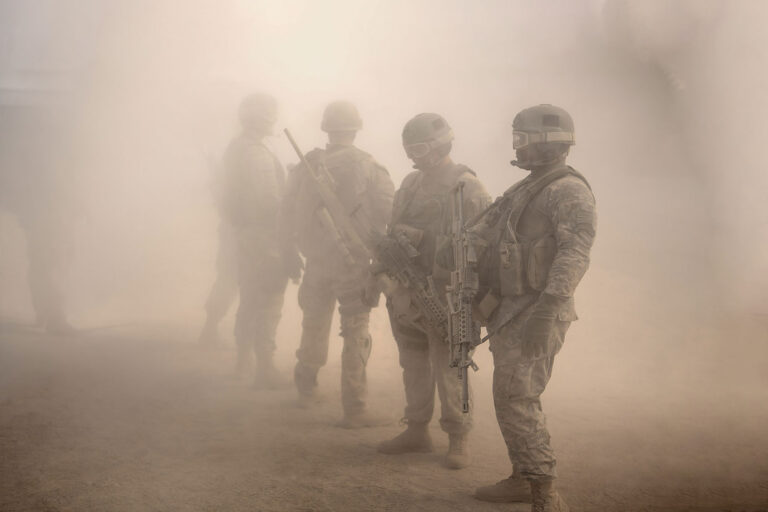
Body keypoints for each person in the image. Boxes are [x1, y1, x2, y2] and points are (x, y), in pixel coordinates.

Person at [470, 104, 596, 511]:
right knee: (508, 396)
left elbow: (574, 252)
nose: (516, 147)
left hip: (538, 310)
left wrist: (550, 307)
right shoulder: (530, 186)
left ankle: (546, 492)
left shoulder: (567, 190)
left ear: (547, 143)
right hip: (512, 308)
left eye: (522, 140)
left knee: (518, 397)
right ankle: (523, 477)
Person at [376, 113, 491, 469]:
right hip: (407, 291)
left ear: (442, 145)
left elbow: (481, 244)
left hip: (447, 296)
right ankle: (417, 429)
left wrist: (425, 241)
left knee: (451, 369)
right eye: (409, 148)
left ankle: (459, 438)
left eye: (421, 147)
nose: (414, 155)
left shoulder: (467, 187)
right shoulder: (411, 184)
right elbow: (393, 229)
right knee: (412, 363)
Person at [280, 101, 394, 428]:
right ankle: (355, 408)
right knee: (356, 332)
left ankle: (306, 388)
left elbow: (285, 214)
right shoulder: (369, 167)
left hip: (316, 262)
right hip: (353, 264)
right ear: (356, 129)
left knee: (313, 324)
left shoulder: (306, 166)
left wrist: (288, 253)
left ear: (326, 129)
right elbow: (391, 214)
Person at [219, 93, 300, 387]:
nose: (274, 120)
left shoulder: (237, 148)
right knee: (268, 300)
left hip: (246, 235)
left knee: (250, 297)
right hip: (264, 236)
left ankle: (243, 363)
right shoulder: (255, 153)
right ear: (264, 118)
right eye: (271, 115)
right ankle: (263, 367)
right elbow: (270, 202)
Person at [198, 155, 239, 346]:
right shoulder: (236, 169)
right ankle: (210, 329)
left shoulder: (234, 164)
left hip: (234, 233)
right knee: (229, 280)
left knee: (227, 281)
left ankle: (210, 328)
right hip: (237, 234)